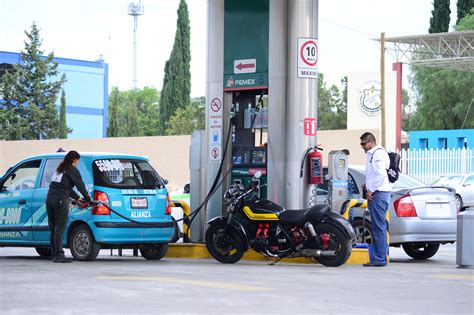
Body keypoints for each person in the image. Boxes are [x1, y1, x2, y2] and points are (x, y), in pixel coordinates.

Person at [46, 150, 92, 263]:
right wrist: (88, 199)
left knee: (53, 229)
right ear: (75, 160)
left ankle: (54, 254)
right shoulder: (72, 170)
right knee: (59, 229)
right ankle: (59, 255)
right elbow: (80, 186)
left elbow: (65, 187)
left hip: (49, 200)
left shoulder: (59, 169)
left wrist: (77, 198)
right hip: (60, 201)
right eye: (78, 162)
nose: (77, 164)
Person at [360, 132, 391, 267]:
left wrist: (372, 189)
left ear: (371, 142)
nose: (362, 146)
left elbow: (381, 174)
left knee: (378, 228)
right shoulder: (372, 154)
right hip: (378, 193)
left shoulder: (377, 154)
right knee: (378, 227)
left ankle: (379, 259)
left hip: (378, 194)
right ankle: (380, 257)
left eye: (364, 144)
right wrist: (368, 185)